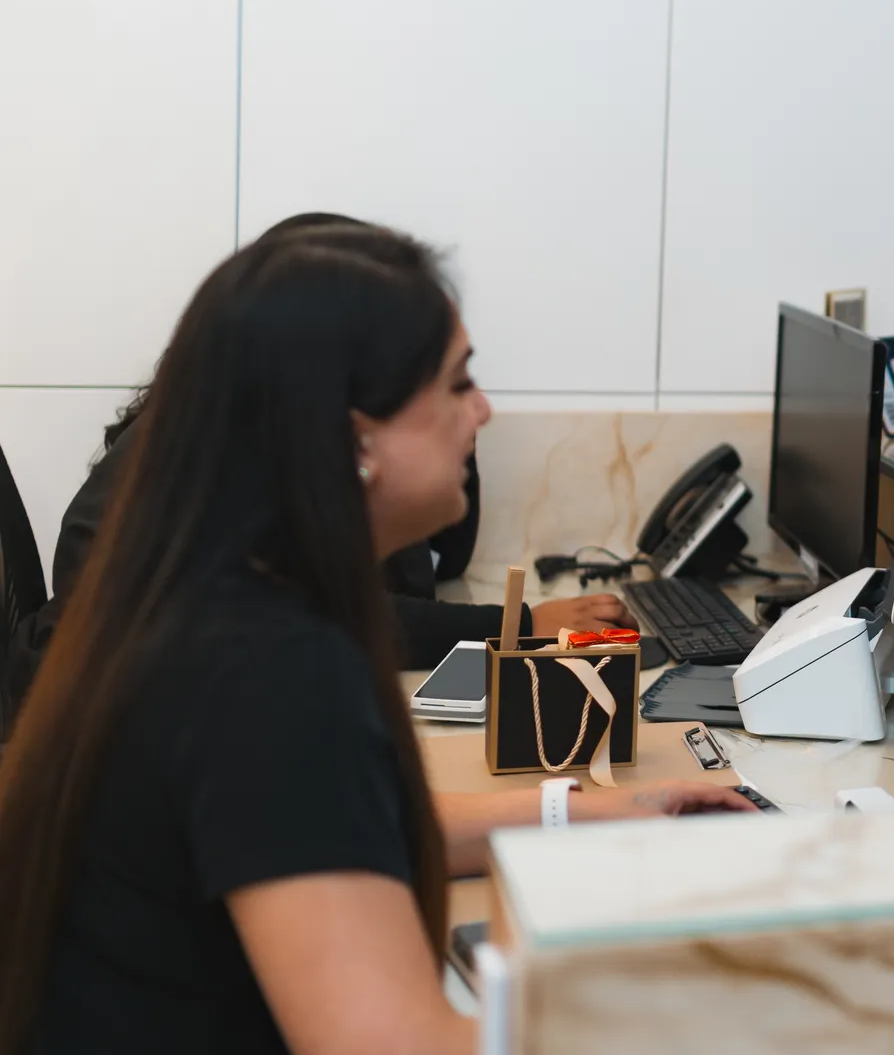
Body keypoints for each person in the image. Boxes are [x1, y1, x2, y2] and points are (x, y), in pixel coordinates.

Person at [0, 224, 750, 1055]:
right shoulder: (267, 671)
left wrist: (594, 810)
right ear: (355, 441)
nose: (484, 410)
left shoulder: (200, 598)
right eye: (458, 383)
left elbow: (338, 827)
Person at [0, 214, 626, 735]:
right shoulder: (250, 646)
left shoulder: (268, 567)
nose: (483, 408)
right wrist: (513, 625)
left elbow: (440, 563)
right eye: (456, 380)